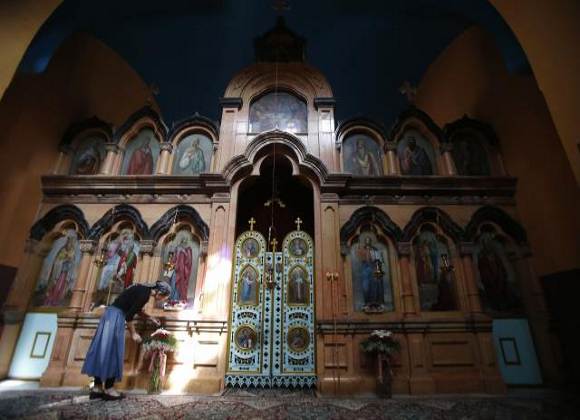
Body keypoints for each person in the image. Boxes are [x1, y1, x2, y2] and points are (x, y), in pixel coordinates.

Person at [81, 281, 171, 400]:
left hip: (109, 315)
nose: (162, 300)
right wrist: (134, 333)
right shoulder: (145, 295)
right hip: (116, 317)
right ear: (160, 292)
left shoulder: (142, 289)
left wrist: (150, 317)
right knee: (113, 352)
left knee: (103, 350)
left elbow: (134, 308)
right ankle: (109, 389)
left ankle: (97, 388)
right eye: (164, 297)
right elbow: (129, 316)